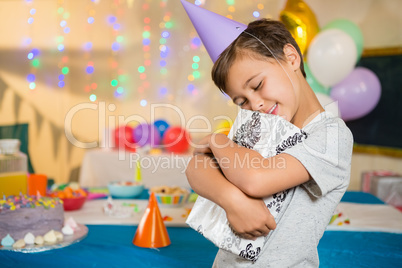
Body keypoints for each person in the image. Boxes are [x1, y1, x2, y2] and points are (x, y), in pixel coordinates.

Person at [183, 2, 353, 267]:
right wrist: (232, 200)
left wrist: (217, 140)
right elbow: (197, 165)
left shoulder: (332, 136)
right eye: (241, 101)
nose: (256, 105)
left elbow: (256, 179)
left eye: (258, 85)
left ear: (291, 58)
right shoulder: (260, 124)